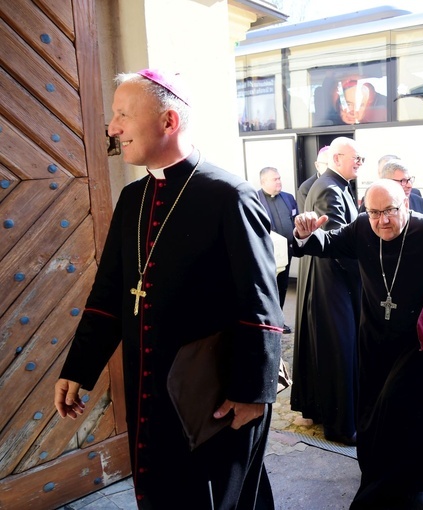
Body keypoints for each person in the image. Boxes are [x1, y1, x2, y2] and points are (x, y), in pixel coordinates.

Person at [53, 69, 282, 509]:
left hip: (216, 393)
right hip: (150, 389)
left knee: (224, 499)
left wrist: (254, 393)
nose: (112, 127)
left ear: (169, 121)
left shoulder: (229, 194)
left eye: (122, 114)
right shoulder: (133, 198)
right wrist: (79, 366)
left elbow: (261, 303)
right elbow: (109, 295)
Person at [293, 179, 423, 508]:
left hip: (417, 343)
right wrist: (305, 232)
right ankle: (379, 474)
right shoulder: (361, 230)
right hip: (374, 339)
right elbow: (324, 244)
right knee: (370, 410)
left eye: (391, 211)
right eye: (374, 212)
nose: (382, 220)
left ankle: (383, 494)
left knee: (396, 412)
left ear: (406, 205)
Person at [291, 136, 362, 445]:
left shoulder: (334, 185)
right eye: (355, 158)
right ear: (336, 159)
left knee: (330, 351)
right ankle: (341, 426)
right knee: (339, 353)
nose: (359, 163)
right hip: (333, 282)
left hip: (328, 280)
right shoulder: (331, 189)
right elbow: (335, 244)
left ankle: (324, 412)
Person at [257, 166, 298, 333]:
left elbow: (295, 218)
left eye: (279, 178)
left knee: (282, 287)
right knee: (268, 289)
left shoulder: (288, 198)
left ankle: (279, 321)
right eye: (275, 179)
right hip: (266, 255)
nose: (279, 181)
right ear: (263, 182)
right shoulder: (255, 199)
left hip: (285, 253)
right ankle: (268, 323)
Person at [297, 146, 329, 213]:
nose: (331, 168)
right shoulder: (306, 188)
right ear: (317, 165)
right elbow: (306, 216)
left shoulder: (339, 181)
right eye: (327, 164)